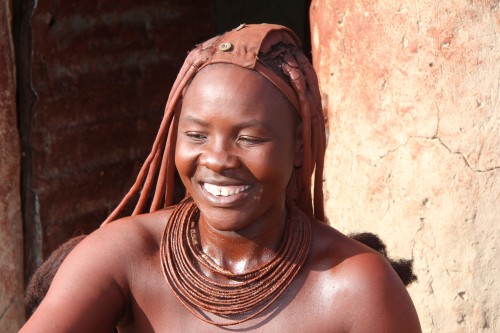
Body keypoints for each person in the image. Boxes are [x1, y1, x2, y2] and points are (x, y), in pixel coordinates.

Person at [20, 24, 421, 332]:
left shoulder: (355, 287)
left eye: (248, 138)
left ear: (299, 146)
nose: (216, 159)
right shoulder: (127, 256)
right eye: (196, 135)